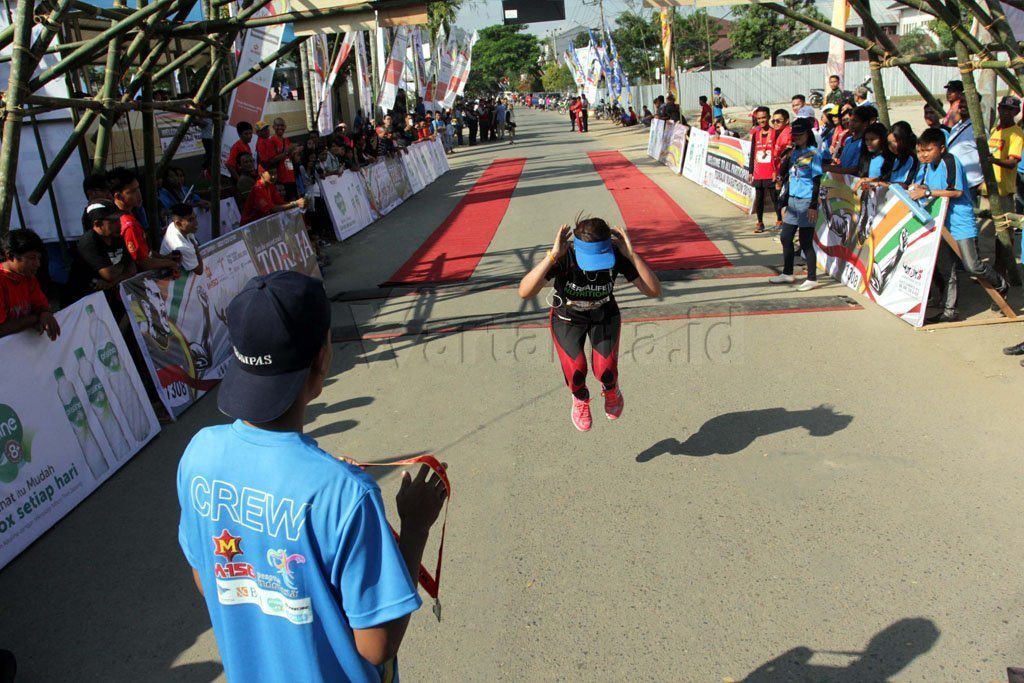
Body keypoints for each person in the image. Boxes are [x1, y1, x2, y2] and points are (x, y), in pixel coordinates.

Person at [177, 271, 447, 681]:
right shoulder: (346, 494)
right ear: (323, 357)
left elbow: (206, 579)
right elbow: (377, 646)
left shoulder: (199, 451)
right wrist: (415, 528)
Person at [517, 218, 661, 432]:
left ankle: (611, 389)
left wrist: (631, 254)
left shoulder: (615, 255)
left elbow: (653, 290)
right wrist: (552, 256)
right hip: (568, 318)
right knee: (576, 372)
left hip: (604, 315)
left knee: (606, 372)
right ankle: (580, 399)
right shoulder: (566, 256)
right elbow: (525, 292)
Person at [909, 127, 1008, 323]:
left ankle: (1001, 283)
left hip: (960, 221)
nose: (923, 155)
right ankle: (950, 310)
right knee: (948, 268)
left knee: (972, 265)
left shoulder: (950, 161)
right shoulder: (927, 166)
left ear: (942, 148)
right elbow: (927, 187)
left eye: (928, 150)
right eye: (920, 151)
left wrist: (927, 193)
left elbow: (956, 192)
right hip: (941, 222)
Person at [768, 118, 823, 292]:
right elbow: (787, 173)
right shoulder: (794, 152)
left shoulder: (814, 154)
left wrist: (813, 205)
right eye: (795, 134)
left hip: (807, 201)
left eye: (801, 134)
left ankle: (812, 278)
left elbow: (816, 180)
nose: (797, 137)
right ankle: (787, 272)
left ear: (808, 134)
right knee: (786, 237)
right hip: (792, 199)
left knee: (806, 242)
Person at [70, 200, 138, 316]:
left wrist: (113, 282)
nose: (119, 225)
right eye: (114, 222)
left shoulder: (117, 238)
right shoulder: (88, 243)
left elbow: (132, 269)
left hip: (113, 295)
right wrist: (122, 266)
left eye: (119, 220)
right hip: (87, 302)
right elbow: (108, 274)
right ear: (98, 224)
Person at [108, 167, 180, 274]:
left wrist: (164, 258)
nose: (138, 194)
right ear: (118, 196)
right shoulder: (129, 224)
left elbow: (144, 251)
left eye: (138, 188)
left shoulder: (126, 215)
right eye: (132, 191)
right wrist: (171, 263)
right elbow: (143, 262)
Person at [0, 229, 60, 340]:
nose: (37, 264)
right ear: (10, 256)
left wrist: (45, 313)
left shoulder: (28, 277)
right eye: (31, 258)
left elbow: (41, 305)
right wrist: (34, 319)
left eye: (38, 258)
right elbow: (1, 329)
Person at [748, 107, 783, 234]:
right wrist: (751, 171)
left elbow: (779, 152)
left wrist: (778, 170)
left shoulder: (775, 133)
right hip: (758, 170)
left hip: (771, 169)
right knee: (759, 197)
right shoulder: (755, 134)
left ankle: (779, 220)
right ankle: (760, 222)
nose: (761, 120)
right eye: (759, 118)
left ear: (769, 118)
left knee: (775, 196)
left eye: (764, 118)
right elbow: (753, 153)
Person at [988, 95, 1024, 208]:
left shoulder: (1017, 134)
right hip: (988, 190)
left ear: (1016, 112)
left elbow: (1012, 163)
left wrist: (993, 160)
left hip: (1003, 192)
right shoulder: (994, 130)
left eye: (1010, 109)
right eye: (1004, 108)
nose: (1006, 112)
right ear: (999, 109)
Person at [241, 165, 305, 225]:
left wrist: (299, 203)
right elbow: (272, 209)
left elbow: (281, 203)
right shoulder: (257, 189)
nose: (274, 176)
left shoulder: (271, 186)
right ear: (261, 173)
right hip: (249, 226)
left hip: (260, 224)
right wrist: (295, 204)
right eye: (271, 173)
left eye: (275, 173)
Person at [946, 103, 983, 198]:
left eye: (966, 102)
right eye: (961, 102)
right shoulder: (955, 127)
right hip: (956, 182)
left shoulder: (978, 129)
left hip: (971, 183)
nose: (963, 105)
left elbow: (987, 156)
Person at [825, 105, 874, 175]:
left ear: (865, 123)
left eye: (855, 121)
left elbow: (854, 169)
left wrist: (828, 168)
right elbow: (841, 165)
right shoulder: (848, 140)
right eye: (850, 120)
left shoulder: (864, 143)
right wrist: (826, 167)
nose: (851, 124)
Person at [160, 203, 204, 276]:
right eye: (190, 220)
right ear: (178, 224)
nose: (196, 223)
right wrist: (196, 249)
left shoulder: (174, 226)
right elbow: (199, 271)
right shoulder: (182, 247)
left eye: (195, 218)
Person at [883, 121, 919, 186]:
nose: (892, 146)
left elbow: (905, 184)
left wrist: (884, 184)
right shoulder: (894, 158)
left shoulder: (911, 159)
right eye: (889, 143)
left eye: (895, 141)